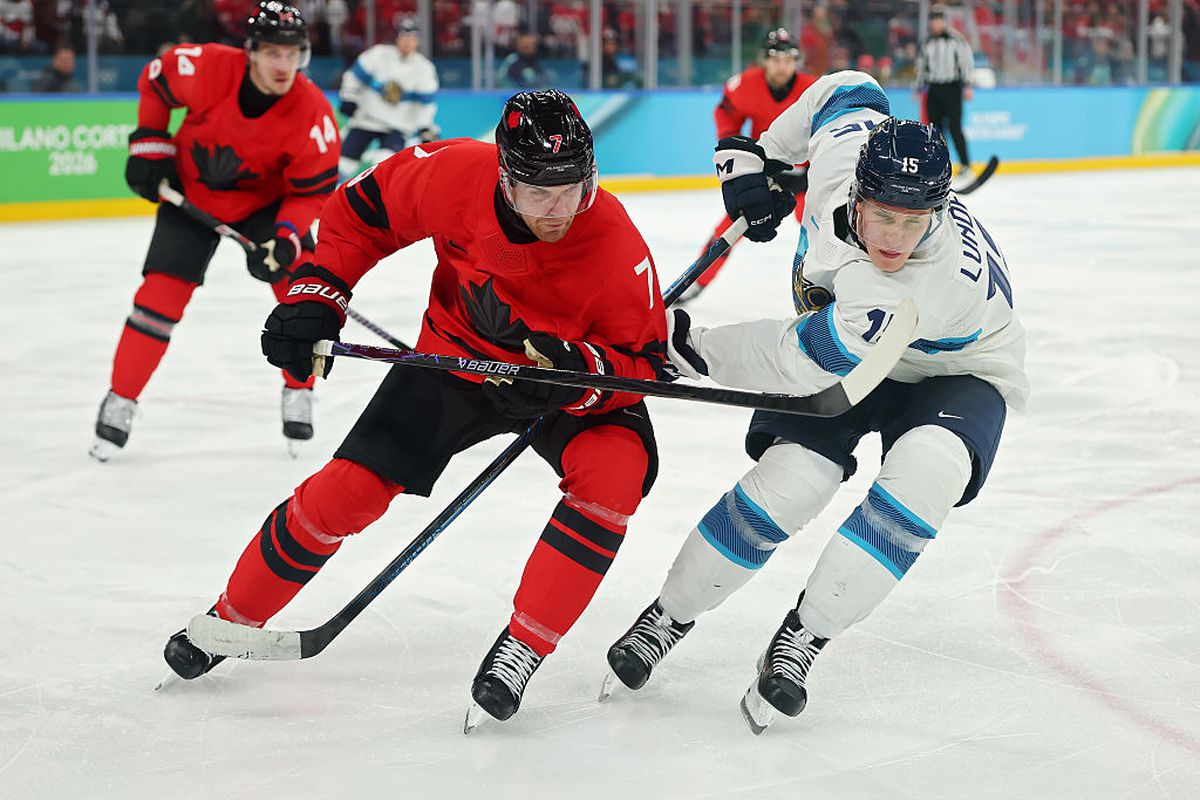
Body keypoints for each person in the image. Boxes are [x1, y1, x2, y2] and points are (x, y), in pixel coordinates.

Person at [161, 90, 671, 727]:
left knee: (616, 473)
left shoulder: (615, 242)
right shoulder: (453, 173)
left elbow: (644, 366)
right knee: (347, 492)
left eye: (574, 189)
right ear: (505, 178)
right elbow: (361, 214)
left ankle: (523, 646)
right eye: (541, 193)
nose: (560, 209)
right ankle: (232, 617)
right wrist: (320, 292)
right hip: (456, 359)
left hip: (564, 377)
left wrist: (582, 375)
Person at [603, 70, 1027, 733]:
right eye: (883, 215)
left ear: (938, 212)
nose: (895, 237)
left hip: (959, 371)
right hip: (861, 344)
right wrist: (766, 157)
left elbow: (798, 358)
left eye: (914, 222)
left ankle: (806, 634)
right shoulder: (843, 153)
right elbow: (849, 89)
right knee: (791, 482)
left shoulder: (917, 286)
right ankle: (669, 615)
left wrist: (692, 347)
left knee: (924, 479)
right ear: (856, 191)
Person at [89, 2, 340, 463]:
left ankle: (298, 390)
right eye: (273, 53)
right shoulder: (205, 67)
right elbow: (155, 81)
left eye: (292, 54)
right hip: (190, 192)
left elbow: (311, 194)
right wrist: (149, 146)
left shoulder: (314, 115)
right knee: (159, 298)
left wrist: (285, 237)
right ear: (251, 51)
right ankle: (120, 399)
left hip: (264, 206)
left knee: (302, 291)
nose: (283, 65)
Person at [685, 27, 817, 302]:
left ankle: (830, 284)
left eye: (788, 60)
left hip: (808, 177)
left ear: (796, 61)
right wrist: (738, 156)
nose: (782, 67)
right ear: (765, 60)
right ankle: (697, 280)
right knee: (731, 227)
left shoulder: (813, 89)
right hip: (767, 175)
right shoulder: (745, 85)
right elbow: (726, 117)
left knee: (819, 229)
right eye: (776, 59)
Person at [337, 16, 439, 182]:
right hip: (366, 120)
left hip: (397, 127)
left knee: (383, 167)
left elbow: (425, 105)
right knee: (343, 165)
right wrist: (349, 98)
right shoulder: (378, 55)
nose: (408, 42)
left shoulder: (424, 68)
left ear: (418, 41)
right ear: (397, 38)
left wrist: (424, 127)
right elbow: (353, 77)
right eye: (404, 36)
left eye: (412, 38)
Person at [914, 5, 975, 176]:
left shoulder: (956, 40)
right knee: (935, 129)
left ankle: (965, 164)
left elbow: (966, 62)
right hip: (934, 88)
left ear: (944, 22)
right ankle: (939, 164)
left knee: (955, 126)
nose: (935, 24)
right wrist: (918, 87)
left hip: (952, 87)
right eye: (933, 21)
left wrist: (968, 85)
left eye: (938, 20)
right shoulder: (926, 42)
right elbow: (920, 66)